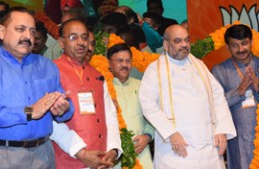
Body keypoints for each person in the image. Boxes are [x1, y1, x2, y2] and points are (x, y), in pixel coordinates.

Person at [0, 7, 74, 169]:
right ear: (2, 31)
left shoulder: (47, 66)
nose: (27, 36)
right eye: (20, 29)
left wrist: (63, 109)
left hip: (43, 154)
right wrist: (27, 112)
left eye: (32, 31)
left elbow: (65, 109)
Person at [139, 24, 236, 169]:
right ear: (166, 44)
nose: (184, 45)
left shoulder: (200, 66)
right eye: (177, 41)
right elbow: (148, 104)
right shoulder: (155, 70)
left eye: (186, 40)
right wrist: (170, 133)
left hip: (208, 150)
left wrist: (221, 130)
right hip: (175, 151)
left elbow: (218, 97)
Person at [50, 19, 122, 169]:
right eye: (73, 37)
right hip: (69, 159)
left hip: (102, 160)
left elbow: (110, 115)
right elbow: (50, 122)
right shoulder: (51, 71)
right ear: (61, 42)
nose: (81, 42)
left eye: (84, 37)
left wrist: (114, 149)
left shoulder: (97, 75)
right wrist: (81, 152)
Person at [211, 24, 258, 169]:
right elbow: (214, 105)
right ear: (227, 46)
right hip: (239, 137)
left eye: (244, 43)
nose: (241, 49)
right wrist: (238, 91)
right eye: (235, 45)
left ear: (251, 42)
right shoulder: (219, 71)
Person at [107, 43, 154, 169]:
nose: (124, 65)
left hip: (141, 151)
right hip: (114, 157)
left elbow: (154, 116)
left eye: (128, 61)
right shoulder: (103, 89)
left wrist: (148, 136)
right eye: (120, 61)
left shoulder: (142, 86)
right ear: (109, 64)